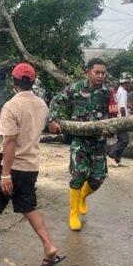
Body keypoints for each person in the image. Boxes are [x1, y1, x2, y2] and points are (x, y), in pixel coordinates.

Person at [0, 63, 66, 266]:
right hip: (31, 166)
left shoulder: (11, 106)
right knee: (28, 207)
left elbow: (10, 142)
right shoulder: (42, 104)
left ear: (14, 82)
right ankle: (49, 246)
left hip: (13, 167)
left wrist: (5, 174)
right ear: (32, 81)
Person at [47, 58, 113, 231]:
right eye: (97, 72)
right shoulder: (76, 88)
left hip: (98, 141)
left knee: (98, 178)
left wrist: (111, 129)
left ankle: (83, 196)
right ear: (88, 71)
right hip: (79, 140)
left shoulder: (108, 92)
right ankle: (73, 213)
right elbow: (56, 100)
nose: (100, 76)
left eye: (103, 73)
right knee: (78, 175)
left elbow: (114, 116)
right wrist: (52, 120)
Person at [107, 72, 133, 166]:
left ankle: (117, 159)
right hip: (120, 118)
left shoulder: (120, 90)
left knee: (121, 139)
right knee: (124, 140)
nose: (130, 83)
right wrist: (123, 120)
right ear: (127, 82)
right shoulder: (123, 92)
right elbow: (121, 107)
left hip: (119, 117)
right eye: (129, 82)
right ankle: (111, 156)